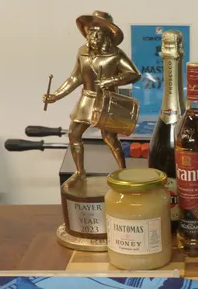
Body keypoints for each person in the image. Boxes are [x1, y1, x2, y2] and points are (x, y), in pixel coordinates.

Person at [44, 11, 140, 182]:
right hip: (87, 99)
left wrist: (112, 80)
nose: (93, 37)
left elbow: (133, 74)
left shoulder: (115, 54)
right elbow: (75, 78)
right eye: (90, 32)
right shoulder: (82, 52)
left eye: (98, 33)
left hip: (107, 101)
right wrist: (56, 96)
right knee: (74, 134)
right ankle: (80, 172)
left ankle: (122, 171)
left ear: (107, 36)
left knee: (109, 137)